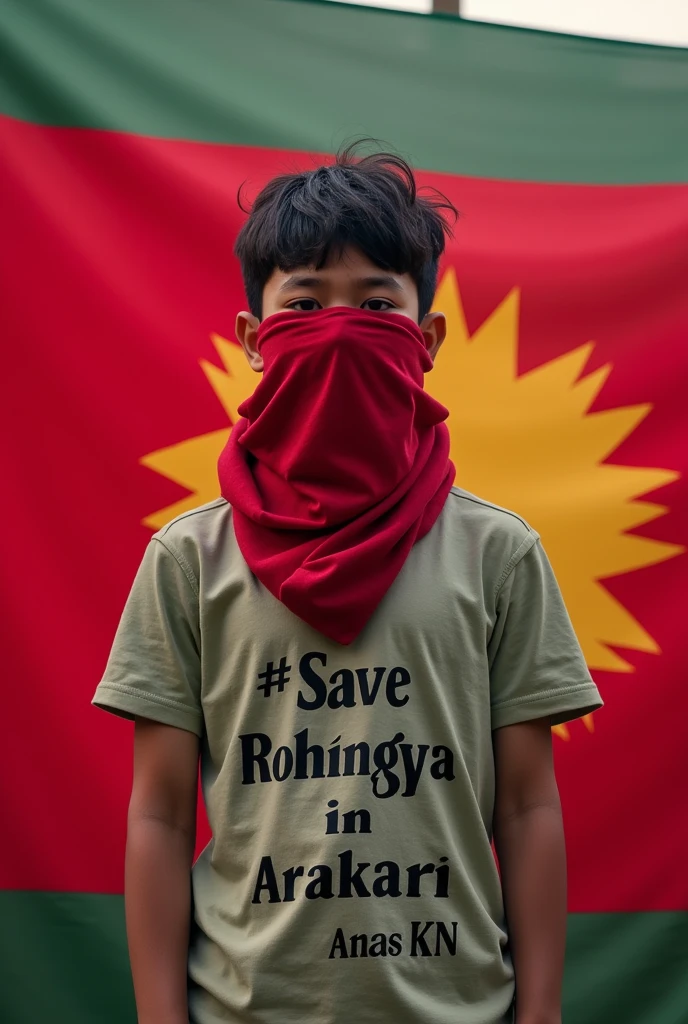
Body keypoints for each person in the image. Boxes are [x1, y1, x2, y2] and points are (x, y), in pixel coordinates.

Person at [93, 146, 602, 1024]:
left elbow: (526, 805)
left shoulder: (498, 554)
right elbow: (161, 817)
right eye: (304, 303)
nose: (338, 326)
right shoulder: (189, 560)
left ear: (427, 338)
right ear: (255, 341)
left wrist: (543, 1013)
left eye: (376, 303)